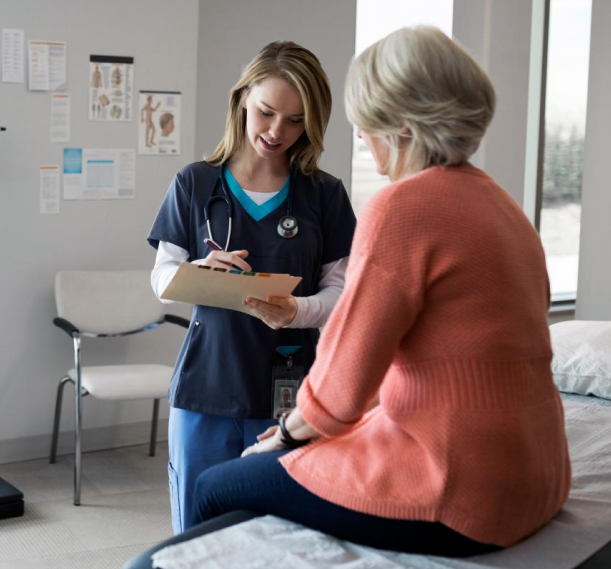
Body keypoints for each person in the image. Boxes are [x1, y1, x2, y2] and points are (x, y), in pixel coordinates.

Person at [190, 26, 571, 556]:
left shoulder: (402, 207)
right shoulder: (505, 209)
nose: (363, 140)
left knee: (216, 484)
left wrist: (283, 437)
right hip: (540, 479)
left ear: (403, 127)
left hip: (463, 493)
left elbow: (342, 385)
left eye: (365, 125)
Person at [147, 40, 357, 534]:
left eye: (295, 121)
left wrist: (297, 311)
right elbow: (162, 280)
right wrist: (199, 269)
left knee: (280, 532)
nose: (276, 131)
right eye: (266, 112)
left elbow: (343, 294)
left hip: (292, 392)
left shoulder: (323, 195)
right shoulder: (195, 183)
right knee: (198, 530)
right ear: (242, 98)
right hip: (207, 387)